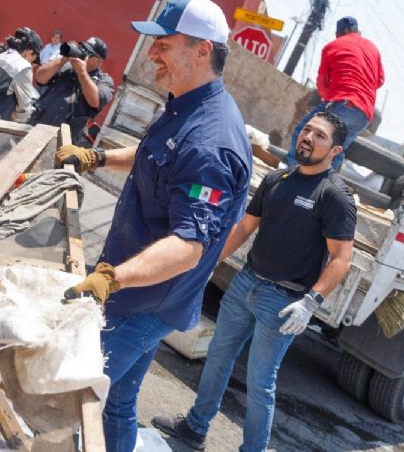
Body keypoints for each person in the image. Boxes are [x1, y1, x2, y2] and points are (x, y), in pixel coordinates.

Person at [56, 0, 252, 452]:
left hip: (142, 302)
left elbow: (190, 246)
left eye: (163, 45)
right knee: (117, 404)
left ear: (202, 49)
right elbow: (155, 159)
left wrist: (111, 279)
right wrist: (98, 157)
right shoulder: (186, 104)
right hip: (138, 291)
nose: (151, 55)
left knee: (67, 400)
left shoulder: (212, 141)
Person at [152, 111, 356, 452]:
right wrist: (208, 262)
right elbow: (245, 227)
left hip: (283, 302)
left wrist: (310, 303)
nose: (307, 137)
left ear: (335, 151)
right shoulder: (278, 179)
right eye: (306, 129)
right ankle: (194, 428)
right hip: (246, 283)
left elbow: (341, 260)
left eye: (319, 135)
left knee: (261, 383)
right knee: (218, 356)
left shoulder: (334, 195)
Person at [287, 16, 384, 171]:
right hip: (364, 115)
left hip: (343, 103)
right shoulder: (372, 47)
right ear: (356, 31)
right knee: (335, 150)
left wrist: (331, 94)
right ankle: (322, 187)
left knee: (302, 133)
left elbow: (322, 85)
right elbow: (379, 81)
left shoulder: (333, 46)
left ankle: (291, 177)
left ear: (341, 32)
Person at [30, 36, 114, 144]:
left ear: (99, 62)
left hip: (61, 142)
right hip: (35, 128)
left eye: (88, 53)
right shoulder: (66, 66)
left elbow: (95, 101)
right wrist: (62, 60)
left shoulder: (104, 81)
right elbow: (39, 78)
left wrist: (82, 72)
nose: (83, 53)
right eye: (82, 48)